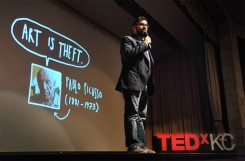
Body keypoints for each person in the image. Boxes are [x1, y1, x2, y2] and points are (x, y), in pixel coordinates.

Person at [116, 16, 155, 153]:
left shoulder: (145, 45)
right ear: (134, 27)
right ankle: (133, 145)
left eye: (146, 25)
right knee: (132, 114)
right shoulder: (127, 40)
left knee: (141, 117)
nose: (145, 27)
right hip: (132, 82)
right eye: (141, 24)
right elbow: (128, 55)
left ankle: (142, 145)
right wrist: (145, 43)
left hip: (144, 85)